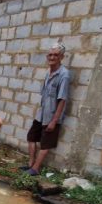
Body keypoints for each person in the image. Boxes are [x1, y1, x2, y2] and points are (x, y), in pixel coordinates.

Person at [23, 42, 70, 176]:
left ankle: (35, 168)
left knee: (46, 143)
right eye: (50, 55)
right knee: (31, 136)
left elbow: (62, 99)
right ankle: (30, 164)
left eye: (55, 55)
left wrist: (54, 121)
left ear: (61, 57)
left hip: (52, 116)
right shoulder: (48, 72)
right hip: (41, 113)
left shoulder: (64, 75)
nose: (52, 57)